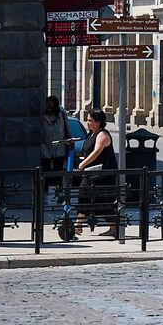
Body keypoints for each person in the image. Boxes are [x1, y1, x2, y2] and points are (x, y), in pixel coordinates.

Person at [74, 108, 125, 239]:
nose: (87, 122)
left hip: (103, 174)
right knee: (83, 194)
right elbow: (87, 150)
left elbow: (96, 152)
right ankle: (78, 225)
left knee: (104, 200)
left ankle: (113, 227)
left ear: (98, 122)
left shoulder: (102, 134)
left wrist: (83, 163)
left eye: (90, 120)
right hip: (92, 174)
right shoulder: (91, 134)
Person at [40, 96, 69, 173]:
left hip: (59, 150)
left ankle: (58, 185)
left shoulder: (62, 114)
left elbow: (67, 129)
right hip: (45, 150)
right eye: (47, 104)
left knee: (58, 173)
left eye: (51, 104)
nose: (48, 107)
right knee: (45, 174)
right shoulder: (42, 116)